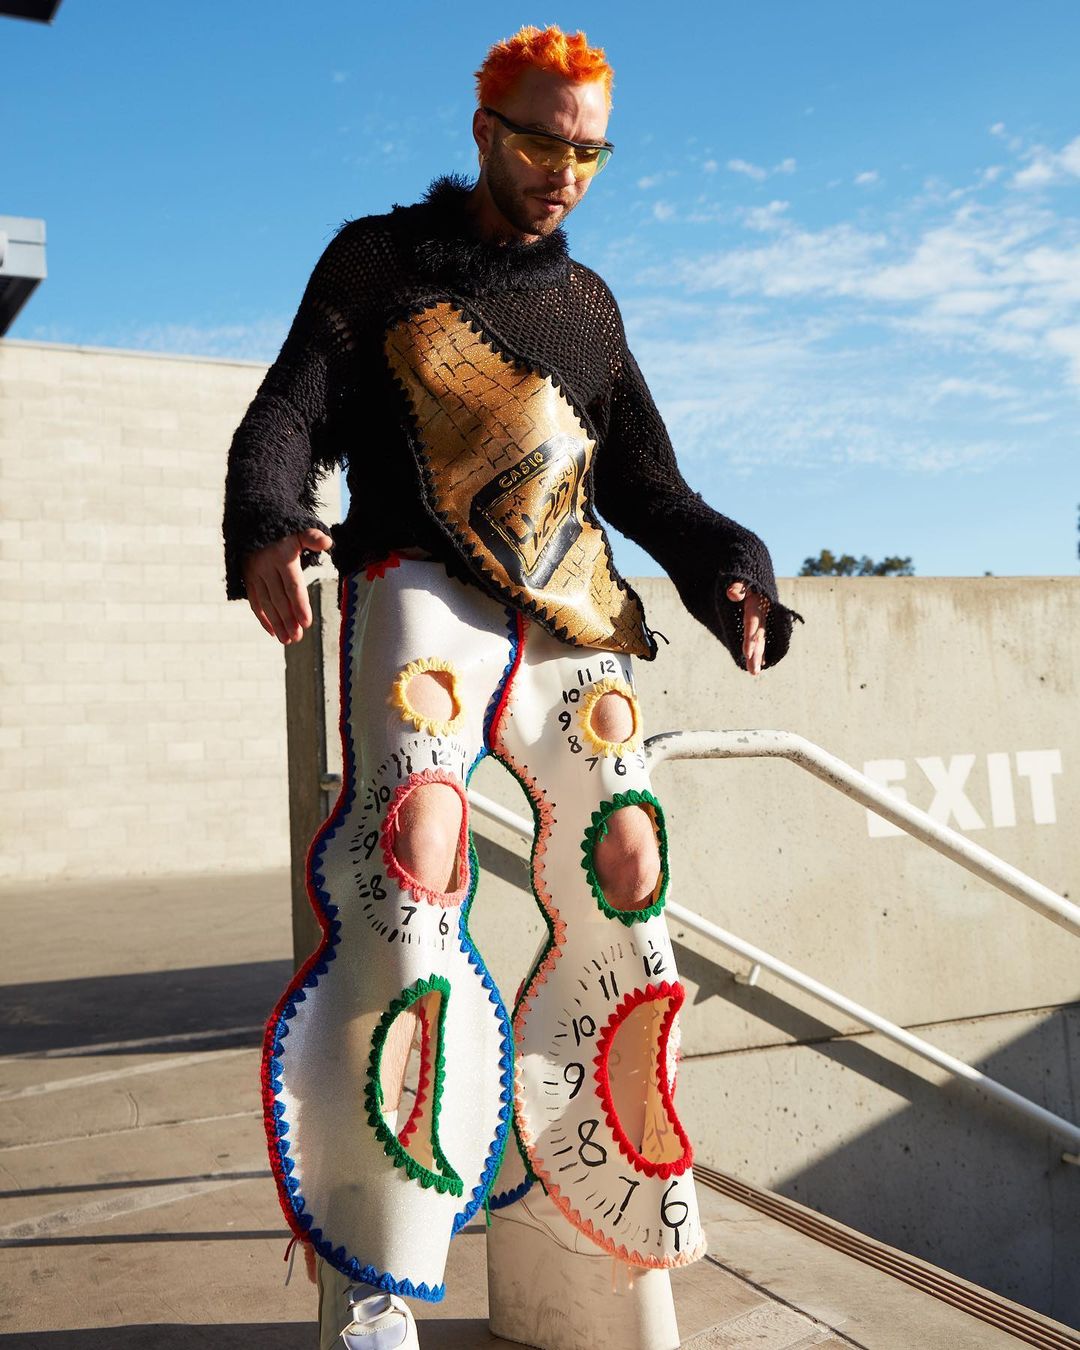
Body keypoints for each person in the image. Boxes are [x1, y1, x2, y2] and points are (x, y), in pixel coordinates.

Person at [223, 25, 798, 1350]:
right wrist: (265, 521)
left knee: (629, 864)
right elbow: (288, 410)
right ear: (486, 129)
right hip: (418, 582)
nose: (565, 172)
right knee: (416, 852)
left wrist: (736, 574)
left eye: (590, 151)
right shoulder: (379, 261)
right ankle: (382, 1261)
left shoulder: (588, 306)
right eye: (543, 141)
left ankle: (596, 1199)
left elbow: (647, 484)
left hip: (567, 603)